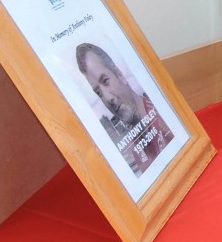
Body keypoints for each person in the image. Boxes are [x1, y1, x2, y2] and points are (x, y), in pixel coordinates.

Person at [75, 42, 175, 177]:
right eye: (98, 93)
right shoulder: (136, 151)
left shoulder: (167, 118)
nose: (107, 97)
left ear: (120, 75)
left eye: (105, 81)